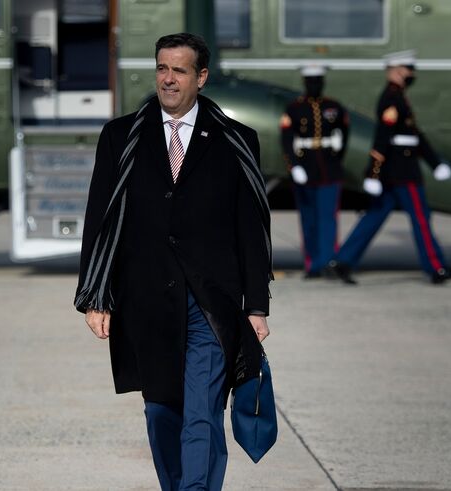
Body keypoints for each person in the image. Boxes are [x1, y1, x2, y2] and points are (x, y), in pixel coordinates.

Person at [74, 33, 272, 490]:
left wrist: (256, 306)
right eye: (162, 68)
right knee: (162, 412)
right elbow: (100, 221)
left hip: (211, 304)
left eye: (179, 70)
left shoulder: (235, 140)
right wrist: (96, 296)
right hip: (145, 301)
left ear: (201, 77)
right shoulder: (120, 137)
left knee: (202, 413)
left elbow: (251, 228)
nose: (168, 78)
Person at [326, 50, 451, 285]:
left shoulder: (398, 96)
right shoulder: (391, 99)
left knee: (375, 216)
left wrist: (435, 162)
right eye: (409, 69)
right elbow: (383, 138)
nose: (412, 74)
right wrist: (373, 172)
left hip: (397, 170)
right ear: (397, 70)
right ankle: (435, 267)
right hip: (403, 171)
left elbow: (414, 135)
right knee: (421, 218)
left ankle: (343, 262)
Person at [280, 65, 350, 278]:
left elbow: (344, 133)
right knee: (309, 220)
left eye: (318, 80)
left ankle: (328, 261)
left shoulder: (334, 107)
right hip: (305, 167)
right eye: (311, 81)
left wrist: (337, 158)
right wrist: (294, 166)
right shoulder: (294, 108)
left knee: (328, 219)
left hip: (329, 169)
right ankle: (312, 264)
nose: (315, 84)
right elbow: (286, 139)